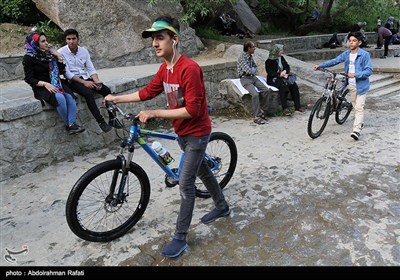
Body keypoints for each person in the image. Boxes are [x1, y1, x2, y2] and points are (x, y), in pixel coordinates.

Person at [104, 15, 231, 258]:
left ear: (175, 40)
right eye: (153, 39)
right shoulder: (165, 69)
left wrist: (153, 112)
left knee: (185, 185)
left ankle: (180, 238)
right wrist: (116, 98)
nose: (154, 43)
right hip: (182, 132)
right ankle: (222, 206)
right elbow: (146, 92)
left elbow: (192, 110)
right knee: (203, 171)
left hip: (197, 133)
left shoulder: (189, 69)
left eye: (160, 38)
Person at [313, 31, 373, 141]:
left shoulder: (365, 55)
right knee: (355, 106)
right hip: (350, 85)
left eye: (354, 41)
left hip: (361, 86)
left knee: (359, 108)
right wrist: (320, 66)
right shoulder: (346, 54)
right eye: (350, 41)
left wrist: (355, 75)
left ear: (359, 43)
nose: (351, 43)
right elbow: (335, 61)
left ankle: (356, 130)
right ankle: (359, 123)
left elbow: (369, 70)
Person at [23, 32, 85, 135]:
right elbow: (29, 79)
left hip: (56, 82)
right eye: (43, 41)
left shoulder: (50, 55)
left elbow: (61, 72)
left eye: (46, 40)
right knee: (60, 98)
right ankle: (70, 125)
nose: (47, 43)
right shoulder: (28, 58)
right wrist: (45, 84)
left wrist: (59, 57)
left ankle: (71, 125)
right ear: (35, 43)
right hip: (42, 85)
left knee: (69, 97)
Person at [58, 29, 113, 133]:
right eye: (68, 39)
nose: (71, 41)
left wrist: (96, 81)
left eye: (73, 38)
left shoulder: (84, 51)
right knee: (88, 93)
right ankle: (101, 121)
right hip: (73, 81)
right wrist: (84, 83)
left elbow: (90, 68)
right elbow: (67, 73)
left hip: (86, 77)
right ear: (65, 40)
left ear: (78, 39)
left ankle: (112, 118)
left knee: (106, 90)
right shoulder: (61, 52)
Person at [237, 41, 270, 124]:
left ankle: (263, 111)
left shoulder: (250, 57)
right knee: (255, 94)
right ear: (249, 48)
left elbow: (255, 68)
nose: (254, 48)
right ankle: (256, 116)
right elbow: (247, 70)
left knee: (266, 90)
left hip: (253, 77)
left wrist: (252, 71)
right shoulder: (242, 57)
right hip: (245, 79)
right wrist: (252, 71)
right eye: (253, 47)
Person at [265, 44, 303, 116]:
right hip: (274, 78)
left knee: (294, 85)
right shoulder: (269, 61)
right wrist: (280, 74)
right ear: (275, 51)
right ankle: (285, 108)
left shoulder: (281, 58)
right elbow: (270, 72)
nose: (282, 52)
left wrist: (285, 71)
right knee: (283, 86)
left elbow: (287, 66)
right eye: (280, 50)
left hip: (283, 76)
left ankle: (297, 107)